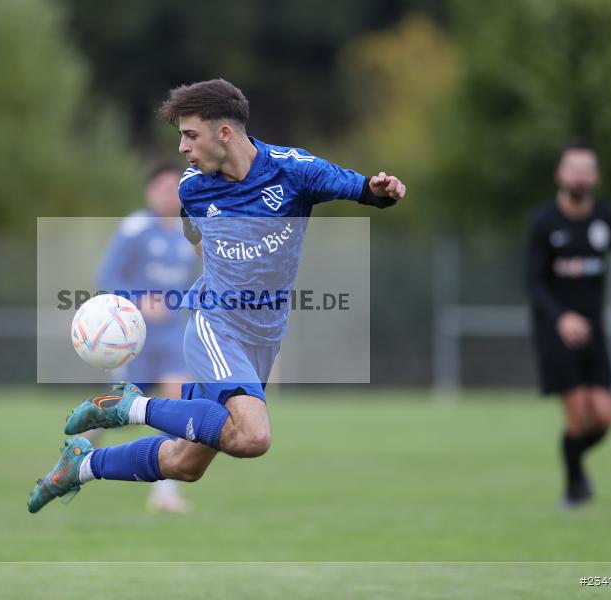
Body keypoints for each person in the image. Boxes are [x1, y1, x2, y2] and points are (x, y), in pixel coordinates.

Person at [28, 78, 406, 513]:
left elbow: (364, 191)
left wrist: (382, 192)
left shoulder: (294, 170)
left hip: (264, 338)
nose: (183, 148)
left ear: (224, 132)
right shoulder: (192, 187)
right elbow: (196, 240)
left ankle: (81, 466)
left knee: (186, 463)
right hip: (217, 325)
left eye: (190, 135)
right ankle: (130, 405)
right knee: (252, 437)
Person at [524, 140, 611, 508]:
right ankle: (575, 487)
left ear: (595, 176)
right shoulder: (544, 223)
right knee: (578, 415)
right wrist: (561, 318)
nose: (579, 176)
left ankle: (575, 470)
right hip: (555, 332)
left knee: (604, 418)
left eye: (585, 169)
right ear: (561, 174)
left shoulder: (607, 219)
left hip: (594, 333)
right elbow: (534, 282)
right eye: (572, 168)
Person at [89, 163, 200, 513]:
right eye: (163, 187)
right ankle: (80, 444)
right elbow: (107, 275)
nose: (169, 193)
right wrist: (138, 299)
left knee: (177, 406)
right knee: (117, 412)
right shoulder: (137, 227)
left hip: (172, 338)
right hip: (133, 339)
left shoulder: (189, 234)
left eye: (175, 187)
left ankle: (165, 493)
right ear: (150, 192)